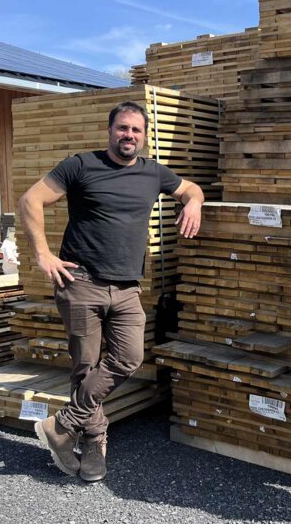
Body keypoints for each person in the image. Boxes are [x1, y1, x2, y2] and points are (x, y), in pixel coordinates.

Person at [18, 100, 204, 482]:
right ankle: (93, 443)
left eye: (136, 130)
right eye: (123, 128)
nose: (129, 136)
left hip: (127, 288)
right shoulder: (80, 165)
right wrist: (43, 255)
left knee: (129, 358)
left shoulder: (153, 173)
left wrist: (194, 204)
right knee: (85, 367)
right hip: (81, 282)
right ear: (110, 130)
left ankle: (61, 425)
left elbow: (191, 188)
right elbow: (30, 200)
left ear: (144, 135)